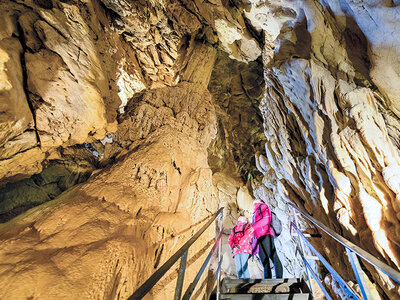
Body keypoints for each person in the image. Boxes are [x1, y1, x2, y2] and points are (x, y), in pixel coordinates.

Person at [252, 199, 283, 279]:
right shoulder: (255, 213)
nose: (254, 202)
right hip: (259, 237)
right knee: (264, 259)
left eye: (255, 201)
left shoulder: (263, 206)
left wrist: (253, 227)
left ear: (260, 201)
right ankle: (267, 279)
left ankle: (279, 278)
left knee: (273, 256)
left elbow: (266, 220)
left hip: (266, 234)